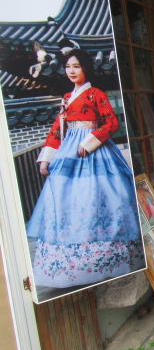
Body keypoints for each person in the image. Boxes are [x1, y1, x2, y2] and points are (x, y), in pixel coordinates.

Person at [26, 49, 144, 289]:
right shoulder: (67, 97)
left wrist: (90, 142)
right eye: (68, 66)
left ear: (85, 68)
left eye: (76, 66)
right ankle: (72, 268)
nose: (71, 71)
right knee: (66, 200)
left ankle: (110, 260)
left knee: (102, 197)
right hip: (69, 151)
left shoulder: (95, 94)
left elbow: (111, 122)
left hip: (94, 150)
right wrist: (46, 158)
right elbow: (57, 129)